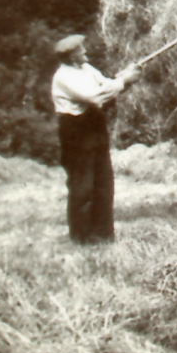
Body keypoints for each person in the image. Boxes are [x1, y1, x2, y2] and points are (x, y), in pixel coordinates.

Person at [51, 35, 141, 244]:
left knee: (103, 180)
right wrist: (123, 81)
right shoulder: (63, 77)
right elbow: (96, 96)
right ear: (71, 55)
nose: (85, 51)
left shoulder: (87, 69)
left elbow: (109, 87)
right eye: (81, 49)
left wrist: (128, 75)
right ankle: (82, 237)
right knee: (83, 184)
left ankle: (103, 234)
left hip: (95, 126)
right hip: (76, 130)